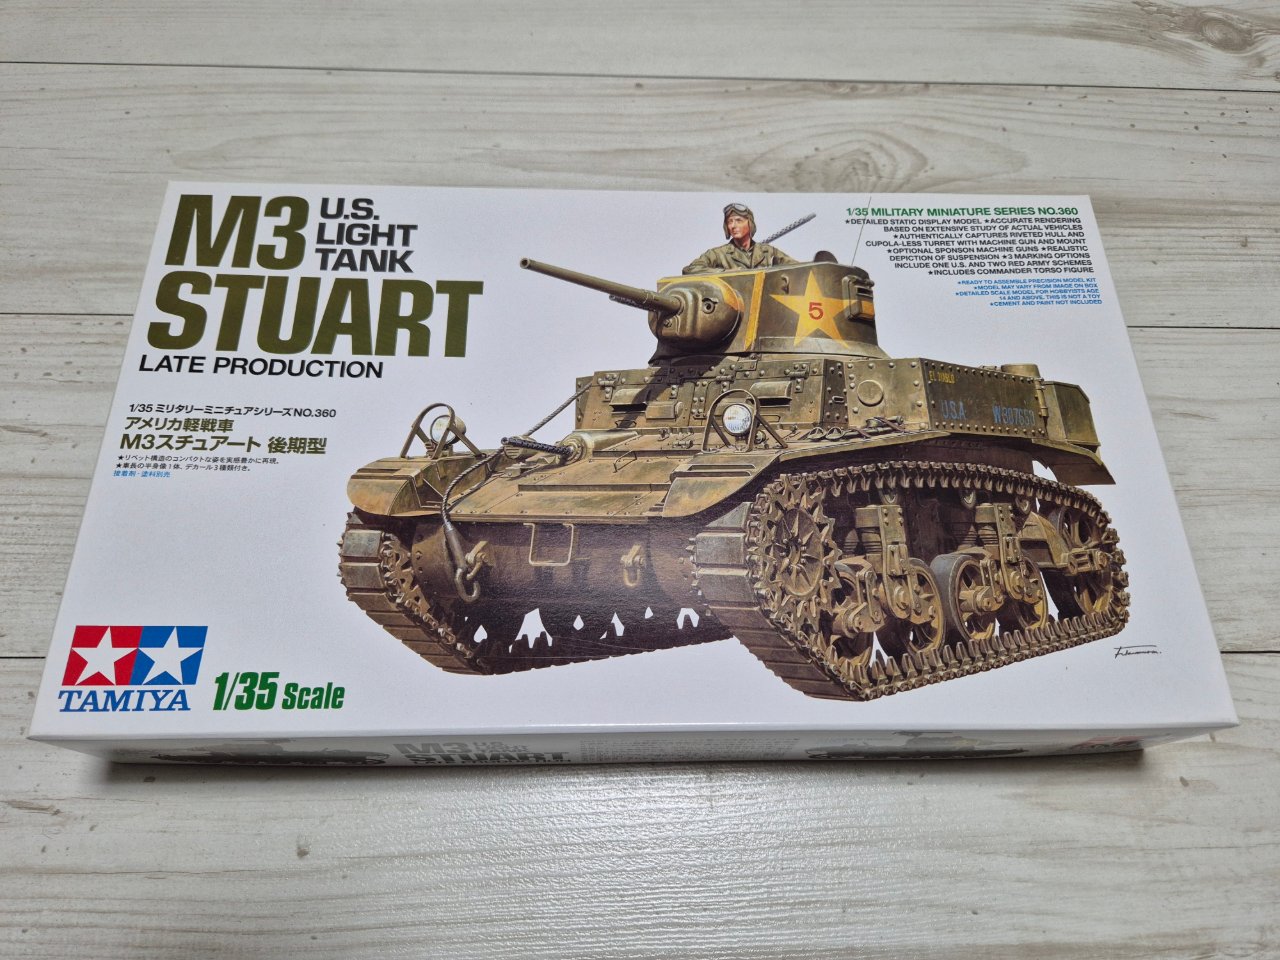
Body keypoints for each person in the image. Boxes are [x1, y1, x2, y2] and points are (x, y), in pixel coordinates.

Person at [682, 203, 797, 274]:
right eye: (730, 222)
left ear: (749, 224)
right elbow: (690, 269)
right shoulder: (718, 254)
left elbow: (797, 267)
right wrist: (725, 272)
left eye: (738, 220)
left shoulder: (768, 252)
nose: (733, 226)